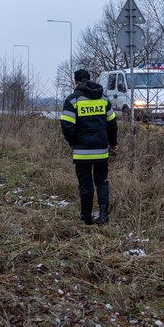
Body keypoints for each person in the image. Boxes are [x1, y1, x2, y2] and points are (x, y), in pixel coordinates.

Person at [60, 69, 118, 225]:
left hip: (81, 152)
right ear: (90, 80)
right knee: (102, 181)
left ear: (75, 81)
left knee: (85, 185)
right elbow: (112, 124)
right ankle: (103, 215)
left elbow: (66, 126)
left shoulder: (73, 100)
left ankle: (86, 218)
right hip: (101, 150)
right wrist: (112, 144)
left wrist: (74, 142)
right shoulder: (103, 99)